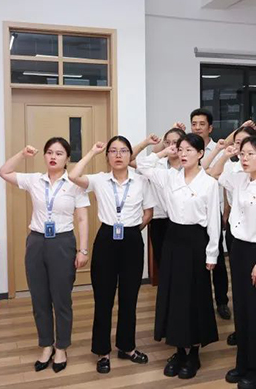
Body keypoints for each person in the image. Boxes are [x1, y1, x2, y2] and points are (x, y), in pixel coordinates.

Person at [0, 137, 89, 373]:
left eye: (59, 153)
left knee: (61, 299)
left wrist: (83, 250)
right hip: (37, 242)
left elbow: (82, 218)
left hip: (63, 243)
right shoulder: (34, 180)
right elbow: (4, 172)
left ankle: (62, 347)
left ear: (67, 158)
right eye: (49, 152)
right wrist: (22, 154)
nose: (53, 157)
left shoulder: (75, 183)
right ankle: (46, 345)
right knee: (39, 298)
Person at [137, 133, 221, 380]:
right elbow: (142, 165)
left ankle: (193, 352)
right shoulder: (169, 177)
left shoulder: (209, 184)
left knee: (194, 296)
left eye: (188, 150)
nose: (183, 154)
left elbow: (214, 222)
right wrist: (164, 151)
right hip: (173, 239)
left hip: (196, 241)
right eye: (180, 149)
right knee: (174, 295)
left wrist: (212, 253)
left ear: (201, 153)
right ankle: (178, 350)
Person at [68, 136, 156, 374]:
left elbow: (148, 212)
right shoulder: (99, 180)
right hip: (107, 239)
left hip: (132, 240)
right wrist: (91, 152)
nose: (118, 155)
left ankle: (127, 347)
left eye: (124, 151)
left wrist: (132, 230)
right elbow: (73, 176)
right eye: (113, 151)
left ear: (130, 155)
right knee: (103, 298)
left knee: (129, 297)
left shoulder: (141, 181)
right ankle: (102, 351)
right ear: (107, 156)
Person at [210, 135, 256, 389]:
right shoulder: (239, 177)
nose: (245, 158)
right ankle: (243, 364)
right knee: (241, 308)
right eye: (242, 153)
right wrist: (225, 154)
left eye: (251, 154)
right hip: (238, 248)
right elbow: (213, 172)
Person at [203, 124, 256, 346]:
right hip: (237, 233)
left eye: (245, 145)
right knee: (239, 285)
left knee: (255, 290)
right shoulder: (233, 169)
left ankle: (254, 332)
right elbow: (211, 173)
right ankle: (241, 329)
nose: (240, 149)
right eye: (237, 144)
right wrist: (226, 154)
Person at [190, 108, 231, 320]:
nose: (197, 127)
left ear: (210, 128)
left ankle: (222, 301)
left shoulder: (219, 149)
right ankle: (200, 301)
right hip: (194, 213)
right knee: (198, 262)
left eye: (201, 124)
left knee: (218, 261)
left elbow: (225, 183)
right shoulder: (187, 149)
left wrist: (225, 212)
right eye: (194, 124)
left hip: (215, 210)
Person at [131, 127, 185, 271]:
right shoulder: (156, 163)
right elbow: (129, 160)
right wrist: (152, 146)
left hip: (184, 220)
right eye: (168, 142)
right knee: (163, 263)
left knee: (183, 264)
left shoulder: (190, 164)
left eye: (176, 142)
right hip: (160, 220)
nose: (172, 146)